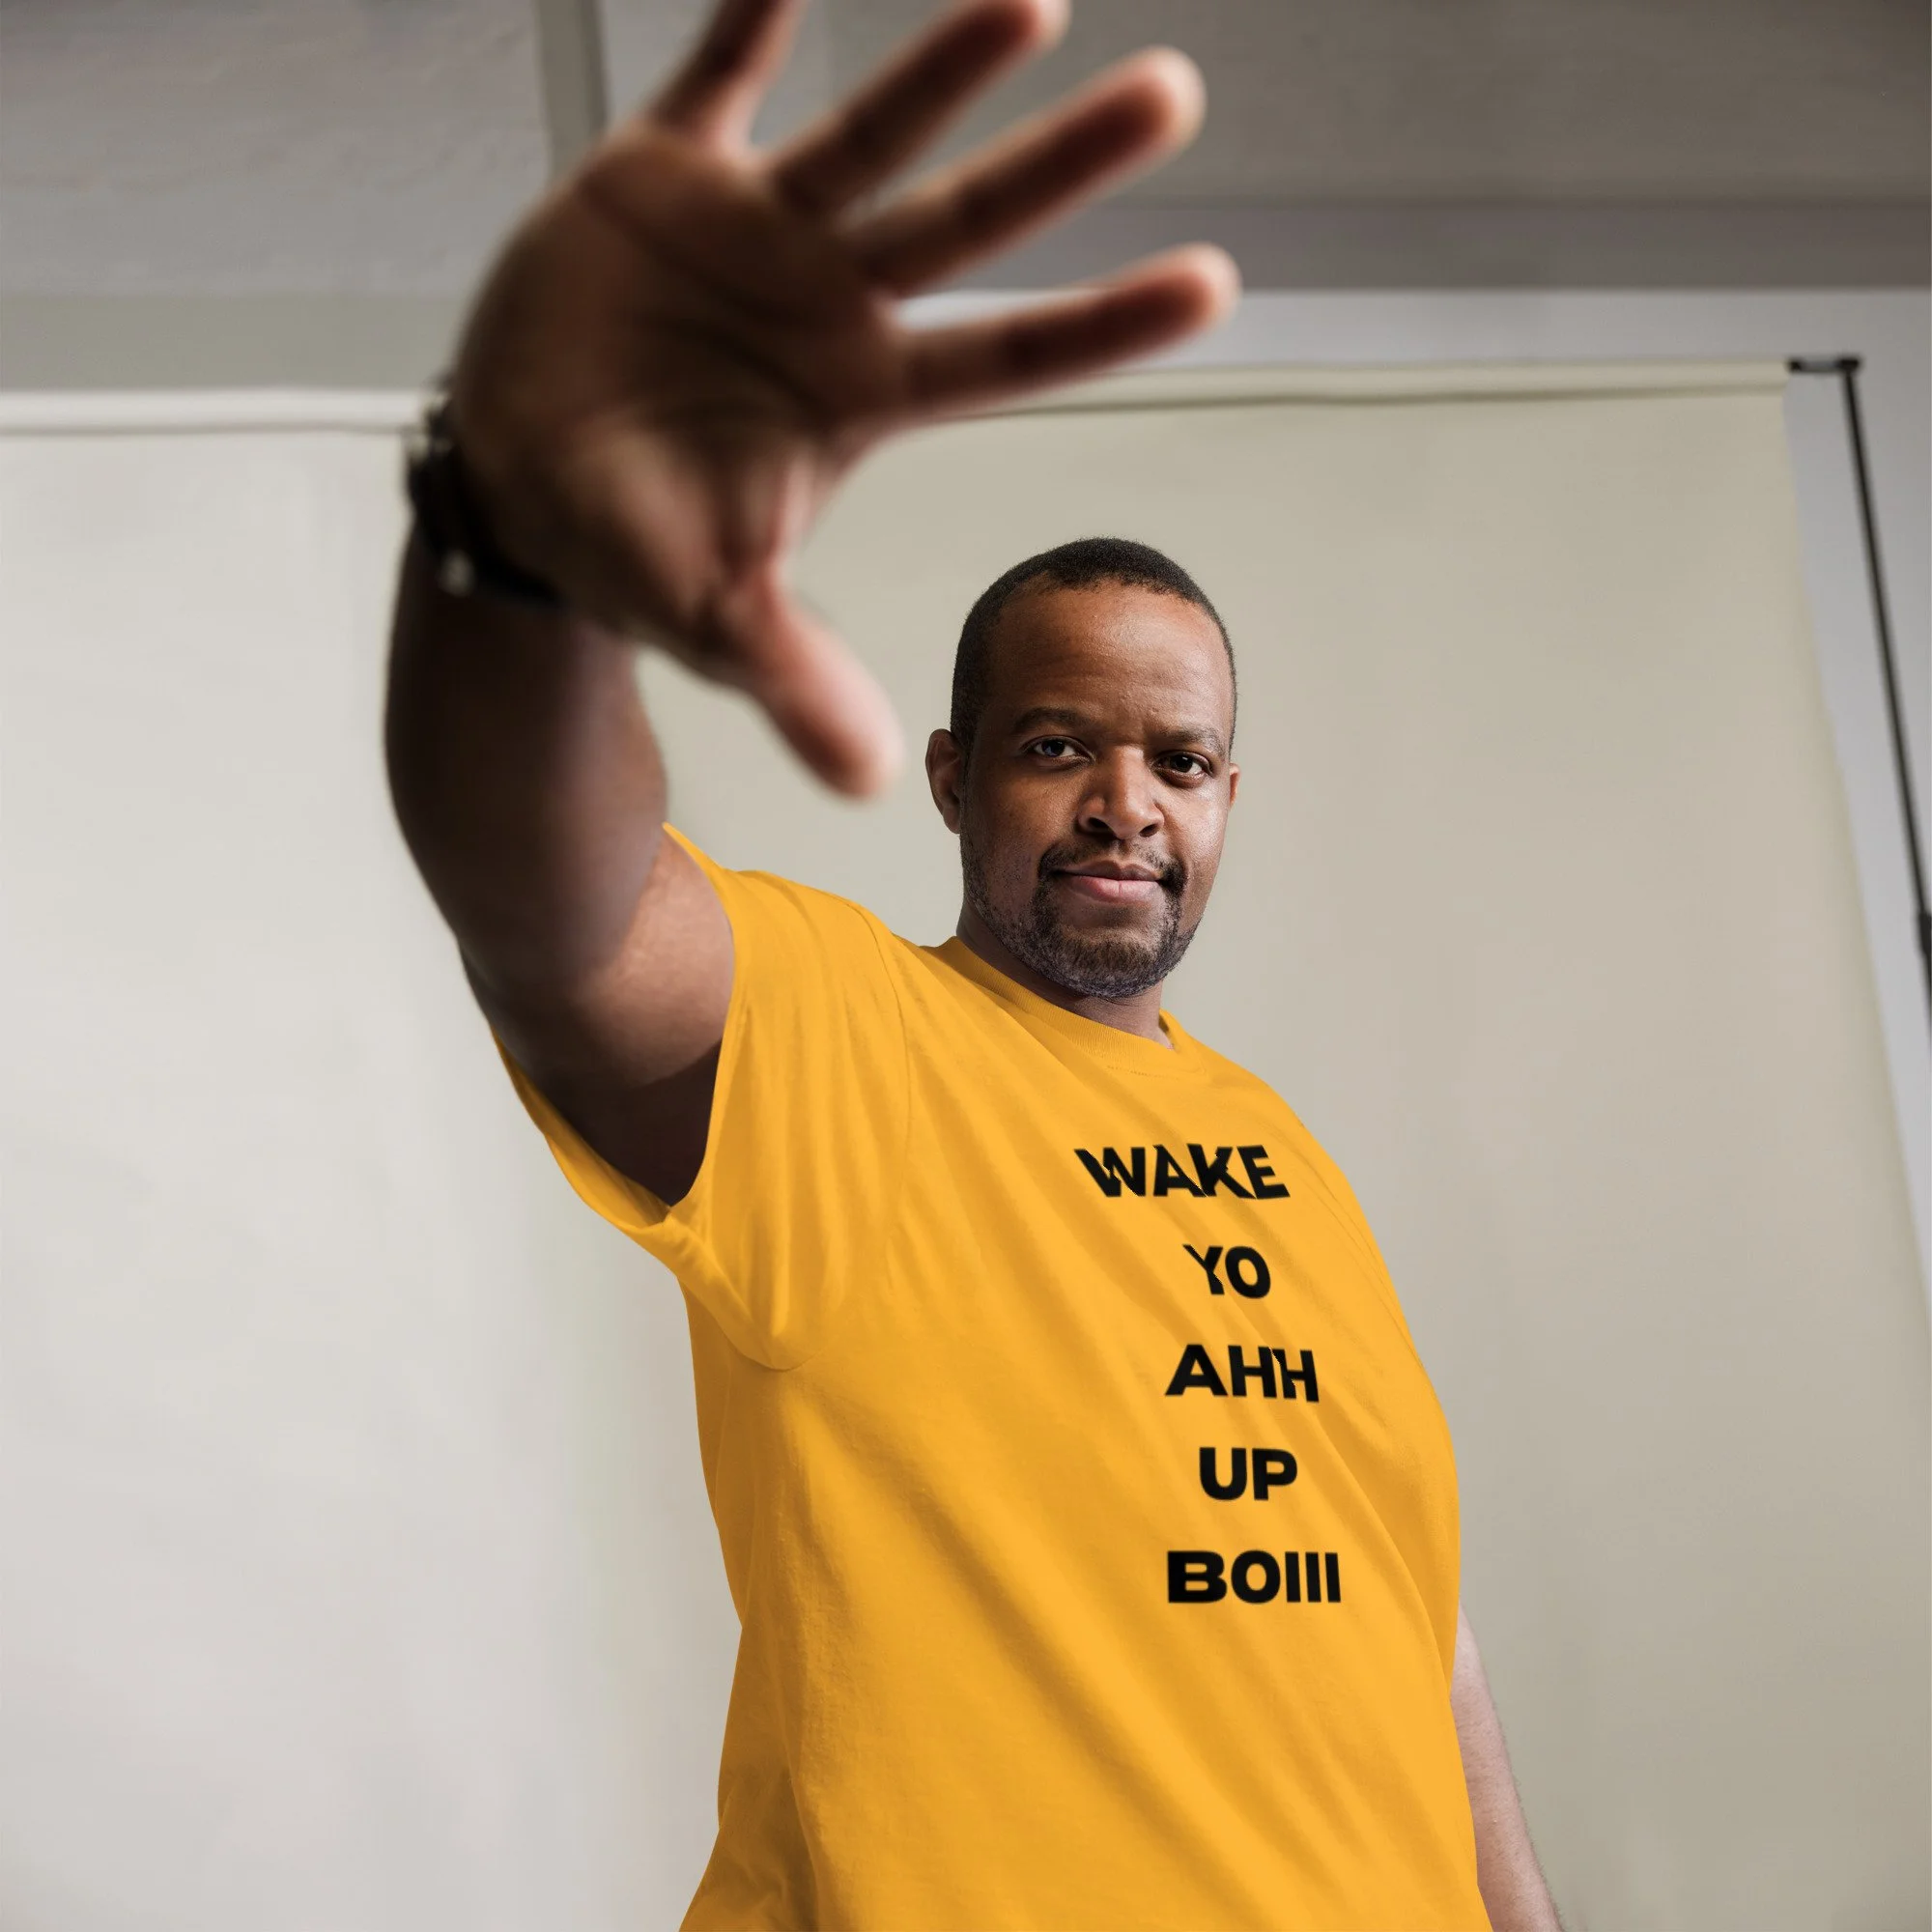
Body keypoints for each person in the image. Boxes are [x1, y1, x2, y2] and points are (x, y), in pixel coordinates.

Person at [384, 0, 1563, 1923]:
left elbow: (1414, 1620)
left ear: (1229, 798)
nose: (1126, 803)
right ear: (954, 777)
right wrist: (518, 548)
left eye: (1180, 761)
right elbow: (554, 914)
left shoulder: (1281, 1151)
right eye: (1057, 744)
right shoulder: (844, 1038)